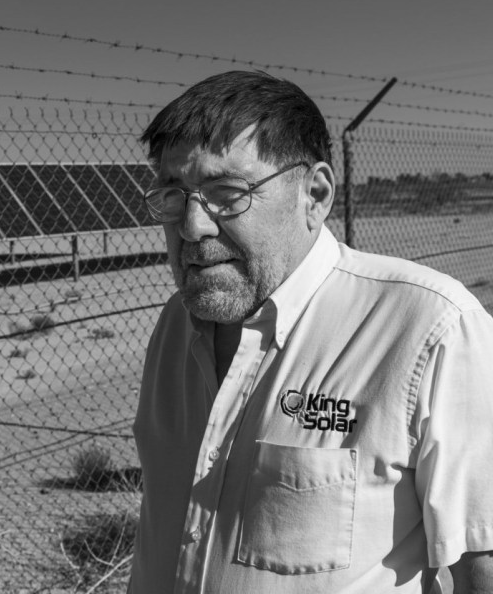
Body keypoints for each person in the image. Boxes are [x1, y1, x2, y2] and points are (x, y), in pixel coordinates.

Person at [129, 70, 493, 594]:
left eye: (227, 193)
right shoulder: (174, 326)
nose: (192, 226)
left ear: (315, 195)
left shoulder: (426, 330)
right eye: (172, 193)